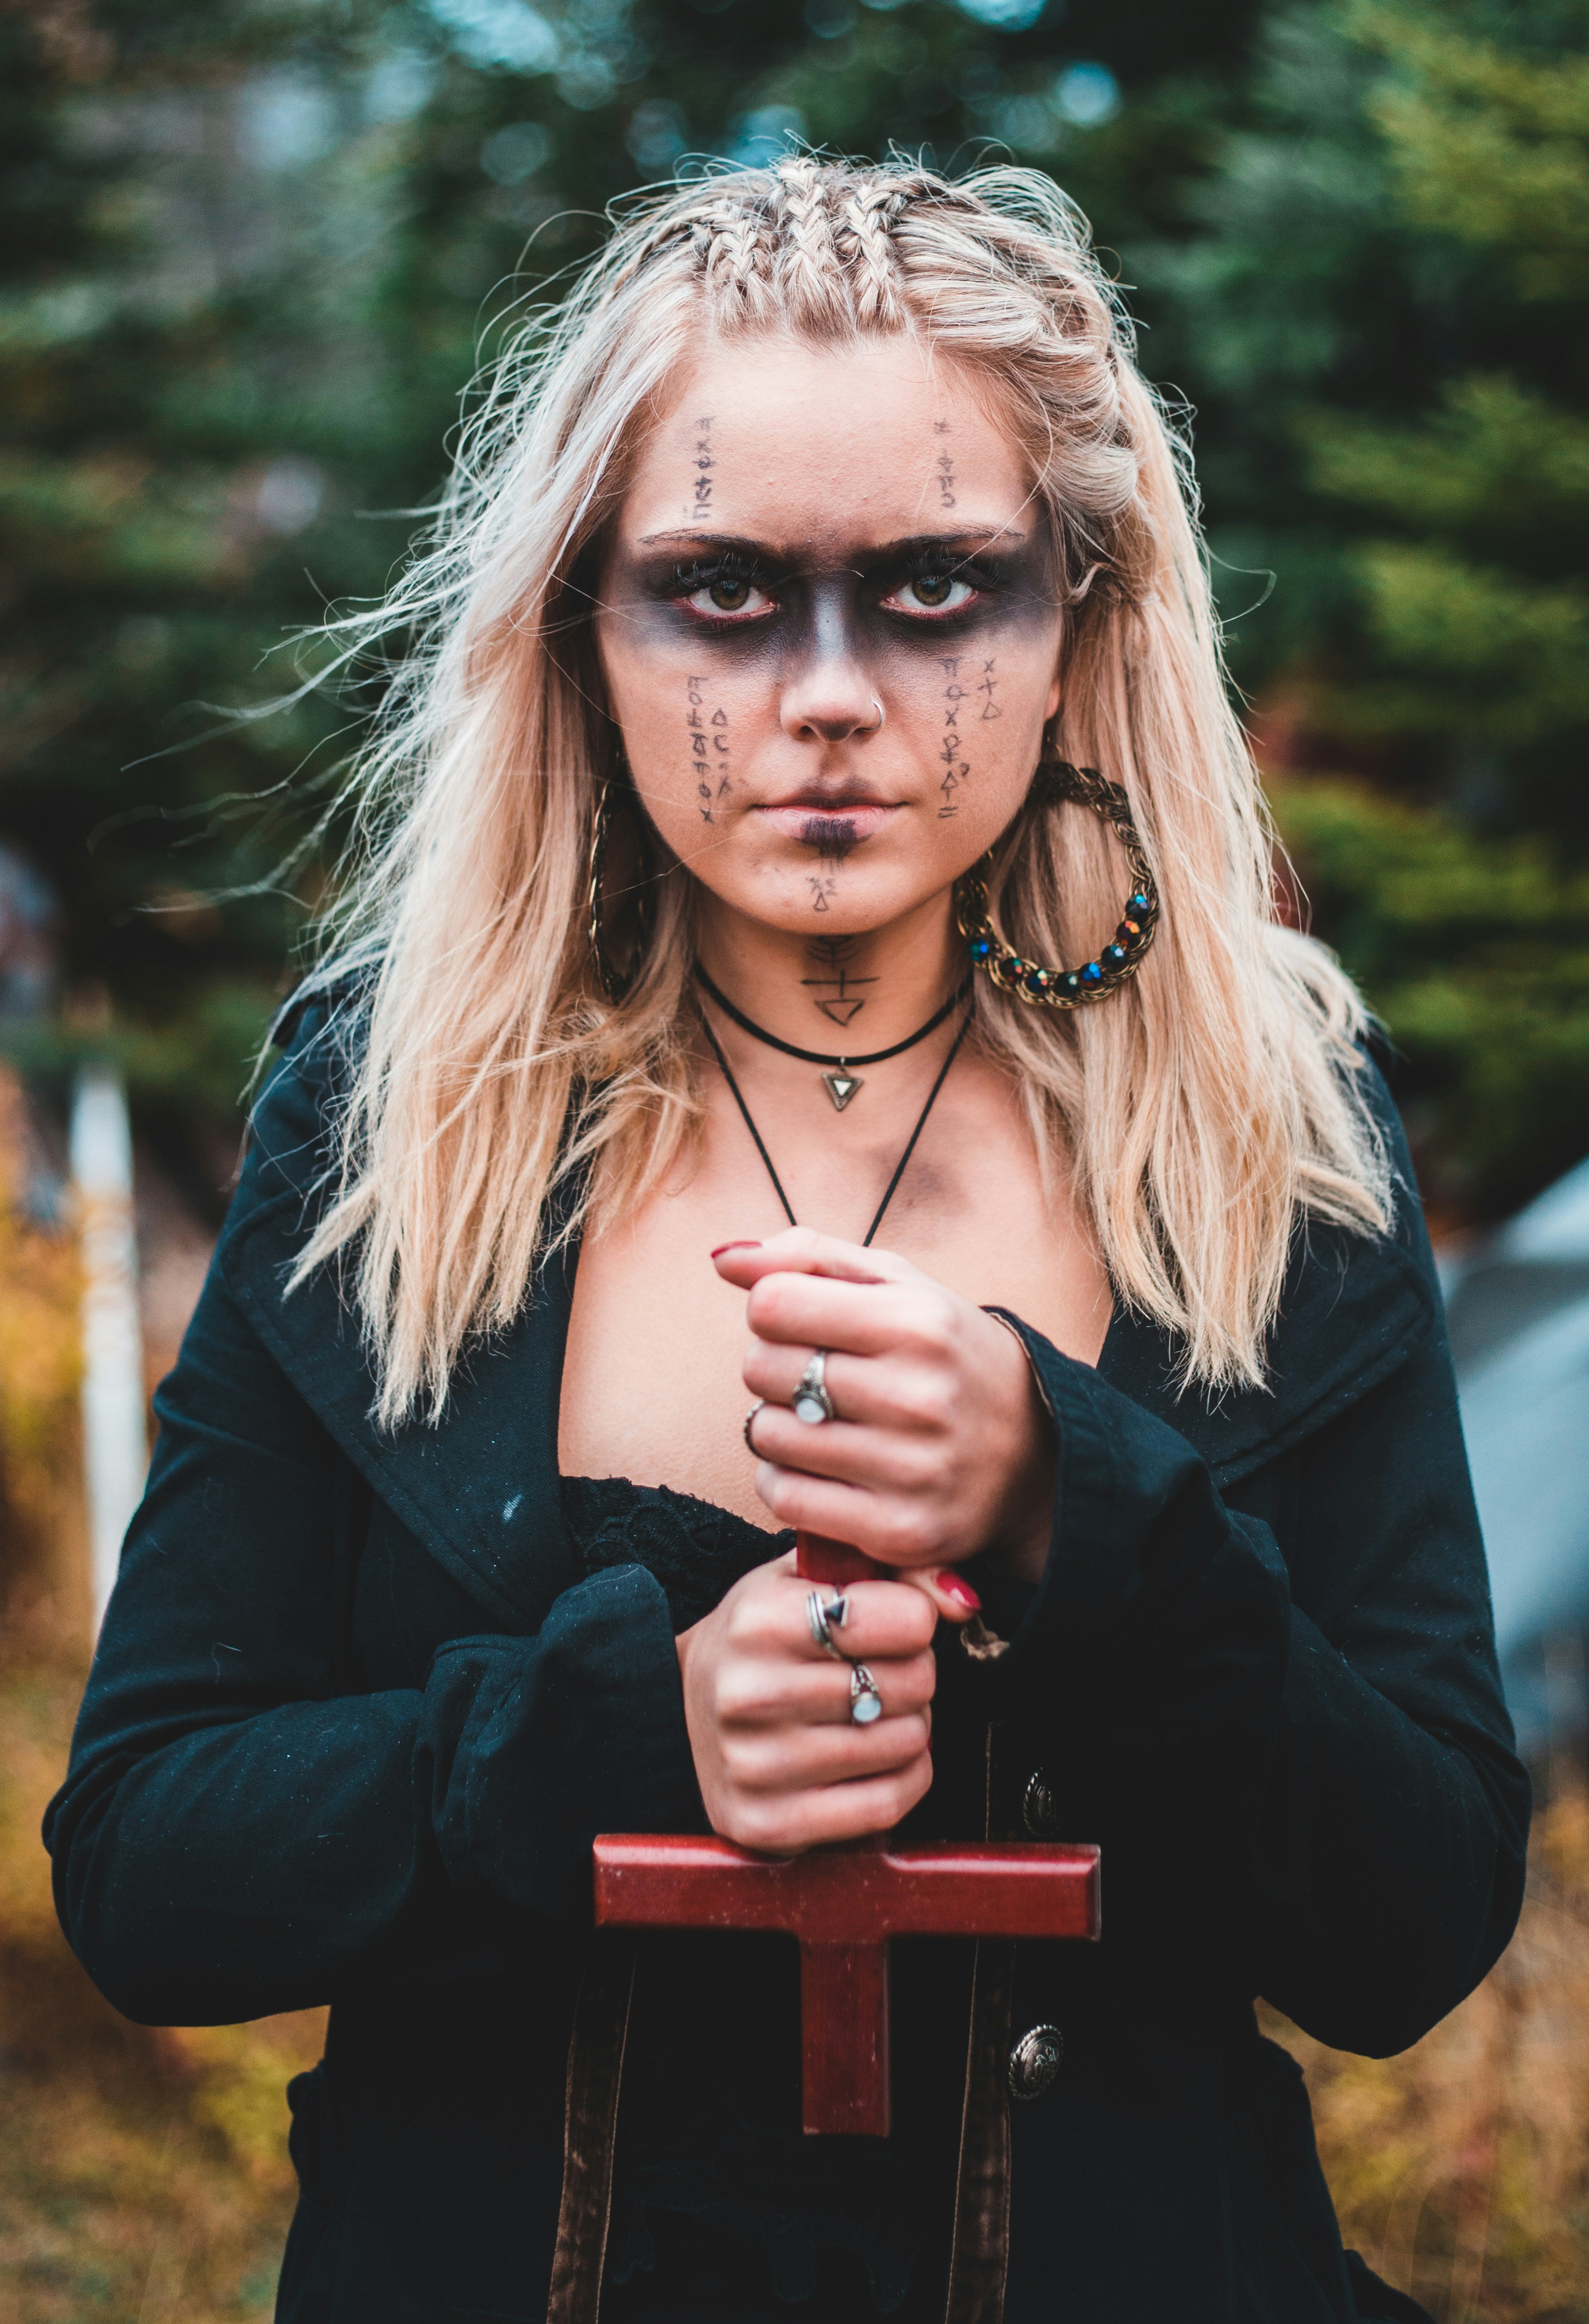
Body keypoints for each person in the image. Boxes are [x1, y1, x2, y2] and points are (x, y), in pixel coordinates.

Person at [45, 158, 1528, 2324]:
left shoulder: (1271, 1130)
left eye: (934, 587)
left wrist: (1075, 1505)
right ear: (586, 630)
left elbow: (1412, 1923)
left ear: (1073, 622)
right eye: (723, 590)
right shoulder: (390, 1118)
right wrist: (610, 1733)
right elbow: (148, 1870)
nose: (829, 694)